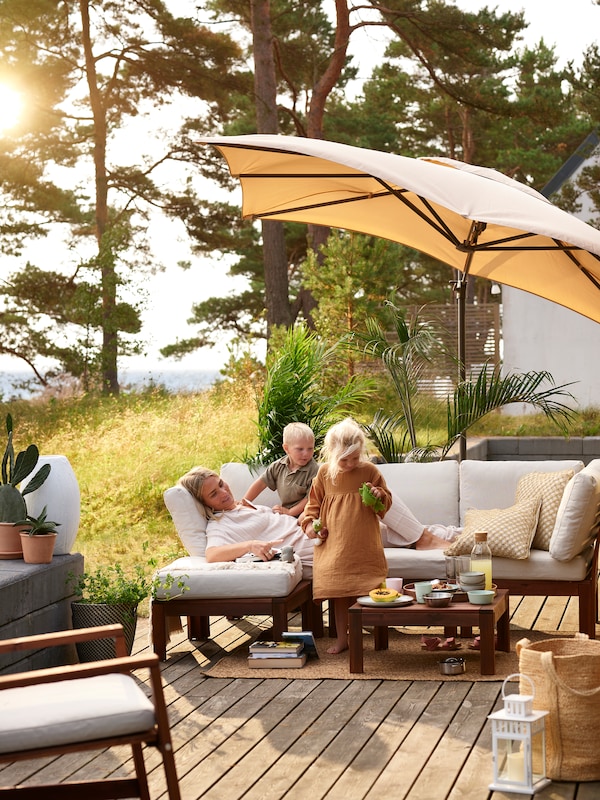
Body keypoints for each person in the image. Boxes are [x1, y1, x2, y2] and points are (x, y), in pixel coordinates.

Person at [301, 417, 392, 655]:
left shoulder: (370, 471)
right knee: (339, 595)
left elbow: (384, 506)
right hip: (334, 545)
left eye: (355, 458)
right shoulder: (323, 474)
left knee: (367, 590)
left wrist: (378, 494)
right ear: (331, 453)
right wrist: (311, 526)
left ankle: (371, 637)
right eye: (344, 459)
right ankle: (343, 639)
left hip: (363, 544)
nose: (350, 464)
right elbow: (312, 507)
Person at [178, 466, 315, 573]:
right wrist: (250, 545)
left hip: (315, 532)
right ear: (204, 503)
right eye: (214, 494)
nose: (224, 493)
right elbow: (212, 555)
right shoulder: (220, 522)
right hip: (313, 550)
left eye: (221, 484)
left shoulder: (241, 506)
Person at [243, 422, 318, 517]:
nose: (306, 454)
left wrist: (290, 512)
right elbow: (260, 484)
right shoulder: (278, 466)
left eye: (310, 449)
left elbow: (310, 499)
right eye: (300, 449)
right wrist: (245, 502)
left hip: (309, 513)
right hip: (287, 515)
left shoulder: (314, 471)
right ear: (286, 448)